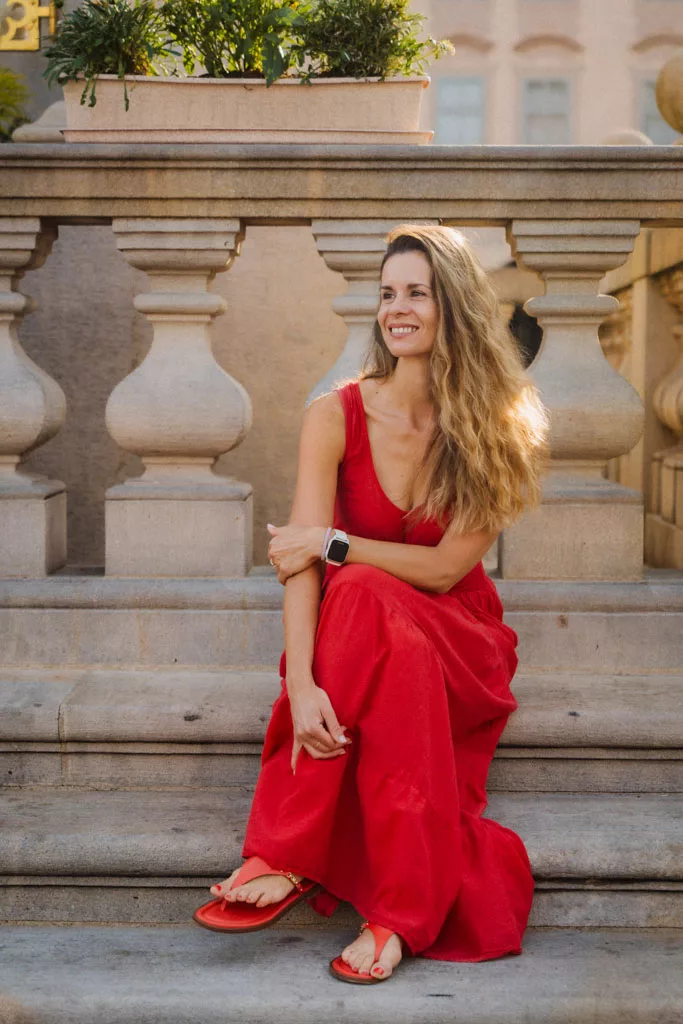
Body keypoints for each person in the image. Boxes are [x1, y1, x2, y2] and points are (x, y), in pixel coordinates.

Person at [193, 224, 549, 985]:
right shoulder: (335, 415)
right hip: (365, 641)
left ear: (454, 306)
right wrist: (300, 686)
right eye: (388, 294)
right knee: (356, 596)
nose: (396, 309)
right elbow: (300, 565)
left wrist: (336, 544)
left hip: (458, 633)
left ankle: (287, 849)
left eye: (417, 293)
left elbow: (447, 568)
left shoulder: (497, 424)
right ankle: (398, 906)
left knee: (355, 584)